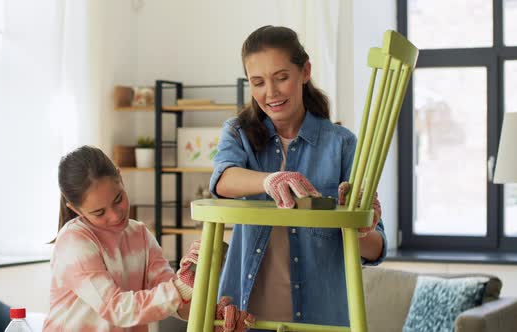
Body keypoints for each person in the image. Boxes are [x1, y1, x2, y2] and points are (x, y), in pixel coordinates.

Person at [209, 25, 386, 328]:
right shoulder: (238, 133)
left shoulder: (342, 144)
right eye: (258, 82)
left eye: (281, 78)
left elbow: (377, 248)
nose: (271, 92)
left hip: (322, 319)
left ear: (304, 71)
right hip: (247, 317)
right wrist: (268, 180)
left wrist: (358, 228)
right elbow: (223, 180)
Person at [44, 145, 253, 331]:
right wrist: (181, 287)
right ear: (76, 210)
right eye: (99, 212)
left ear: (121, 177)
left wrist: (211, 315)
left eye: (118, 199)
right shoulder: (74, 242)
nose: (115, 215)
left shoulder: (140, 234)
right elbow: (116, 309)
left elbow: (172, 304)